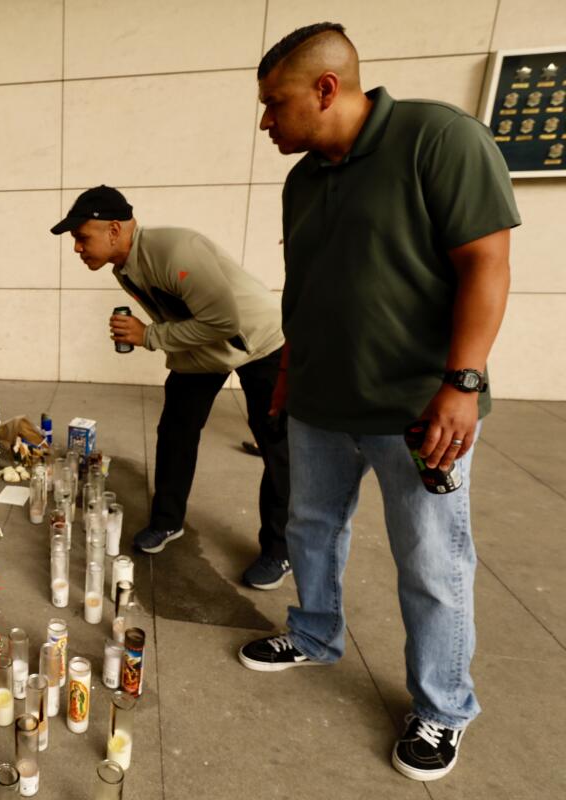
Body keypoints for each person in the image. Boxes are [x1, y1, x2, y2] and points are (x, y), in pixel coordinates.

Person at [236, 23, 519, 782]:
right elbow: (310, 286)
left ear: (326, 89)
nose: (266, 121)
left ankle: (442, 706)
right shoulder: (303, 180)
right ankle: (314, 631)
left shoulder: (439, 139)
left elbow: (487, 263)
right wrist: (293, 366)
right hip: (322, 401)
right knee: (311, 527)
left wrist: (462, 383)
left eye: (275, 104)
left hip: (418, 412)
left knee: (432, 561)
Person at [51, 185, 292, 589]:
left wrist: (147, 336)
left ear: (113, 229)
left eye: (81, 236)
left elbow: (223, 322)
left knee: (277, 446)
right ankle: (167, 522)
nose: (77, 247)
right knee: (176, 431)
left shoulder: (173, 252)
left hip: (260, 342)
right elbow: (185, 319)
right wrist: (153, 336)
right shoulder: (123, 267)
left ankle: (280, 549)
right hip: (203, 351)